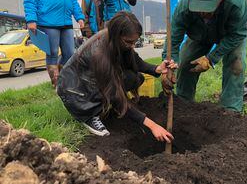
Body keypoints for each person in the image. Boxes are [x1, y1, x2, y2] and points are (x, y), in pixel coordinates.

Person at [56, 11, 177, 143]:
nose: (132, 46)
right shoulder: (99, 54)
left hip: (90, 79)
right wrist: (152, 125)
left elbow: (134, 60)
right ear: (117, 35)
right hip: (74, 90)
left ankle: (103, 105)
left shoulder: (115, 41)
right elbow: (115, 94)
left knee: (135, 78)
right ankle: (89, 116)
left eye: (134, 42)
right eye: (129, 42)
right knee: (113, 95)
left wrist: (156, 69)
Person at [163, 0, 247, 112]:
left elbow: (237, 35)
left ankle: (231, 110)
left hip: (230, 35)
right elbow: (173, 39)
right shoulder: (184, 7)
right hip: (199, 36)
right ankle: (184, 102)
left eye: (207, 8)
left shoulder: (236, 2)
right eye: (198, 7)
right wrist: (168, 66)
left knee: (236, 64)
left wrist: (211, 58)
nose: (202, 11)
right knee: (185, 62)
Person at [23, 0, 84, 88]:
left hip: (66, 22)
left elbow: (72, 0)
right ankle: (56, 85)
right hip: (48, 22)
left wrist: (79, 16)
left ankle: (66, 81)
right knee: (52, 53)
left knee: (70, 53)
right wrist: (31, 19)